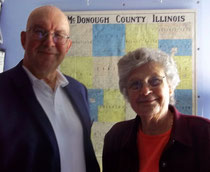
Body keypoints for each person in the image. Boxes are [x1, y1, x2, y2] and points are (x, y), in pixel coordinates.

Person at [0, 5, 100, 172]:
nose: (49, 42)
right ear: (24, 39)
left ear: (68, 46)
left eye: (58, 35)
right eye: (40, 32)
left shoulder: (78, 90)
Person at [102, 47, 210, 172]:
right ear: (127, 93)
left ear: (170, 87)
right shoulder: (115, 137)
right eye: (135, 84)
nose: (145, 91)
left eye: (155, 81)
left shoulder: (203, 133)